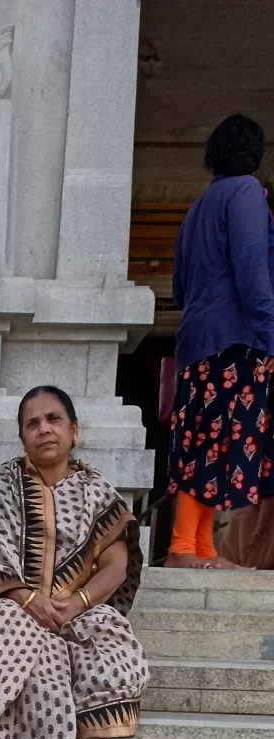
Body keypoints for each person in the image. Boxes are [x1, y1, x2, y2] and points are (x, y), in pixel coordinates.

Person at [0, 386, 149, 739]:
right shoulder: (1, 484)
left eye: (54, 420)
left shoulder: (96, 491)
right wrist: (26, 598)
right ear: (22, 437)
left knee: (106, 630)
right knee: (15, 629)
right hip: (9, 607)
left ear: (74, 430)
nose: (44, 429)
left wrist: (76, 604)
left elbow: (116, 565)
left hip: (73, 611)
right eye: (32, 423)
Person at [166, 114, 274, 568]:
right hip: (237, 340)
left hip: (198, 341)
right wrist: (269, 332)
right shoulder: (248, 192)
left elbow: (177, 288)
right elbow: (253, 270)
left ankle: (201, 548)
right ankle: (182, 546)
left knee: (205, 439)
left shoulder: (198, 206)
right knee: (217, 442)